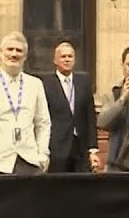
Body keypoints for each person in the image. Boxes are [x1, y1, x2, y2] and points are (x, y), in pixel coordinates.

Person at [0, 32, 52, 175]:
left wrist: (42, 156)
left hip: (29, 162)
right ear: (1, 53)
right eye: (10, 49)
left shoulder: (35, 85)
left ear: (24, 56)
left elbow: (43, 123)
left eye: (19, 50)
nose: (14, 54)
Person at [40, 40, 100, 173]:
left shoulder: (84, 81)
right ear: (55, 60)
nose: (67, 60)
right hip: (57, 148)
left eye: (70, 56)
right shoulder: (46, 84)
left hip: (81, 148)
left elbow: (90, 116)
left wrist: (93, 150)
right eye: (63, 57)